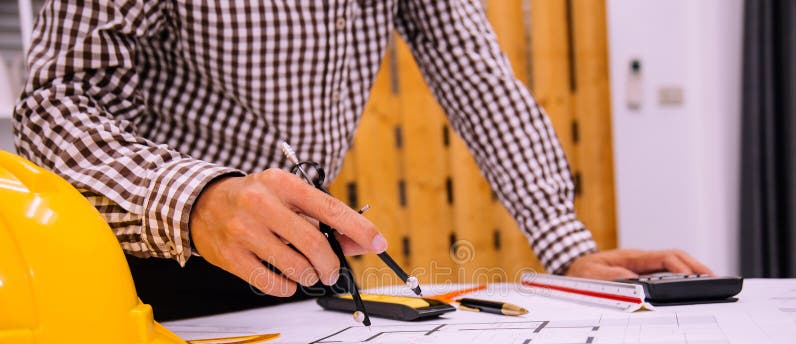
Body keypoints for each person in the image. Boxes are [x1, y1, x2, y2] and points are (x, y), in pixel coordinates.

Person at [14, 1, 711, 319]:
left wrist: (568, 248)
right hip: (149, 266)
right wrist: (198, 199)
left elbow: (479, 77)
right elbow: (55, 103)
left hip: (294, 262)